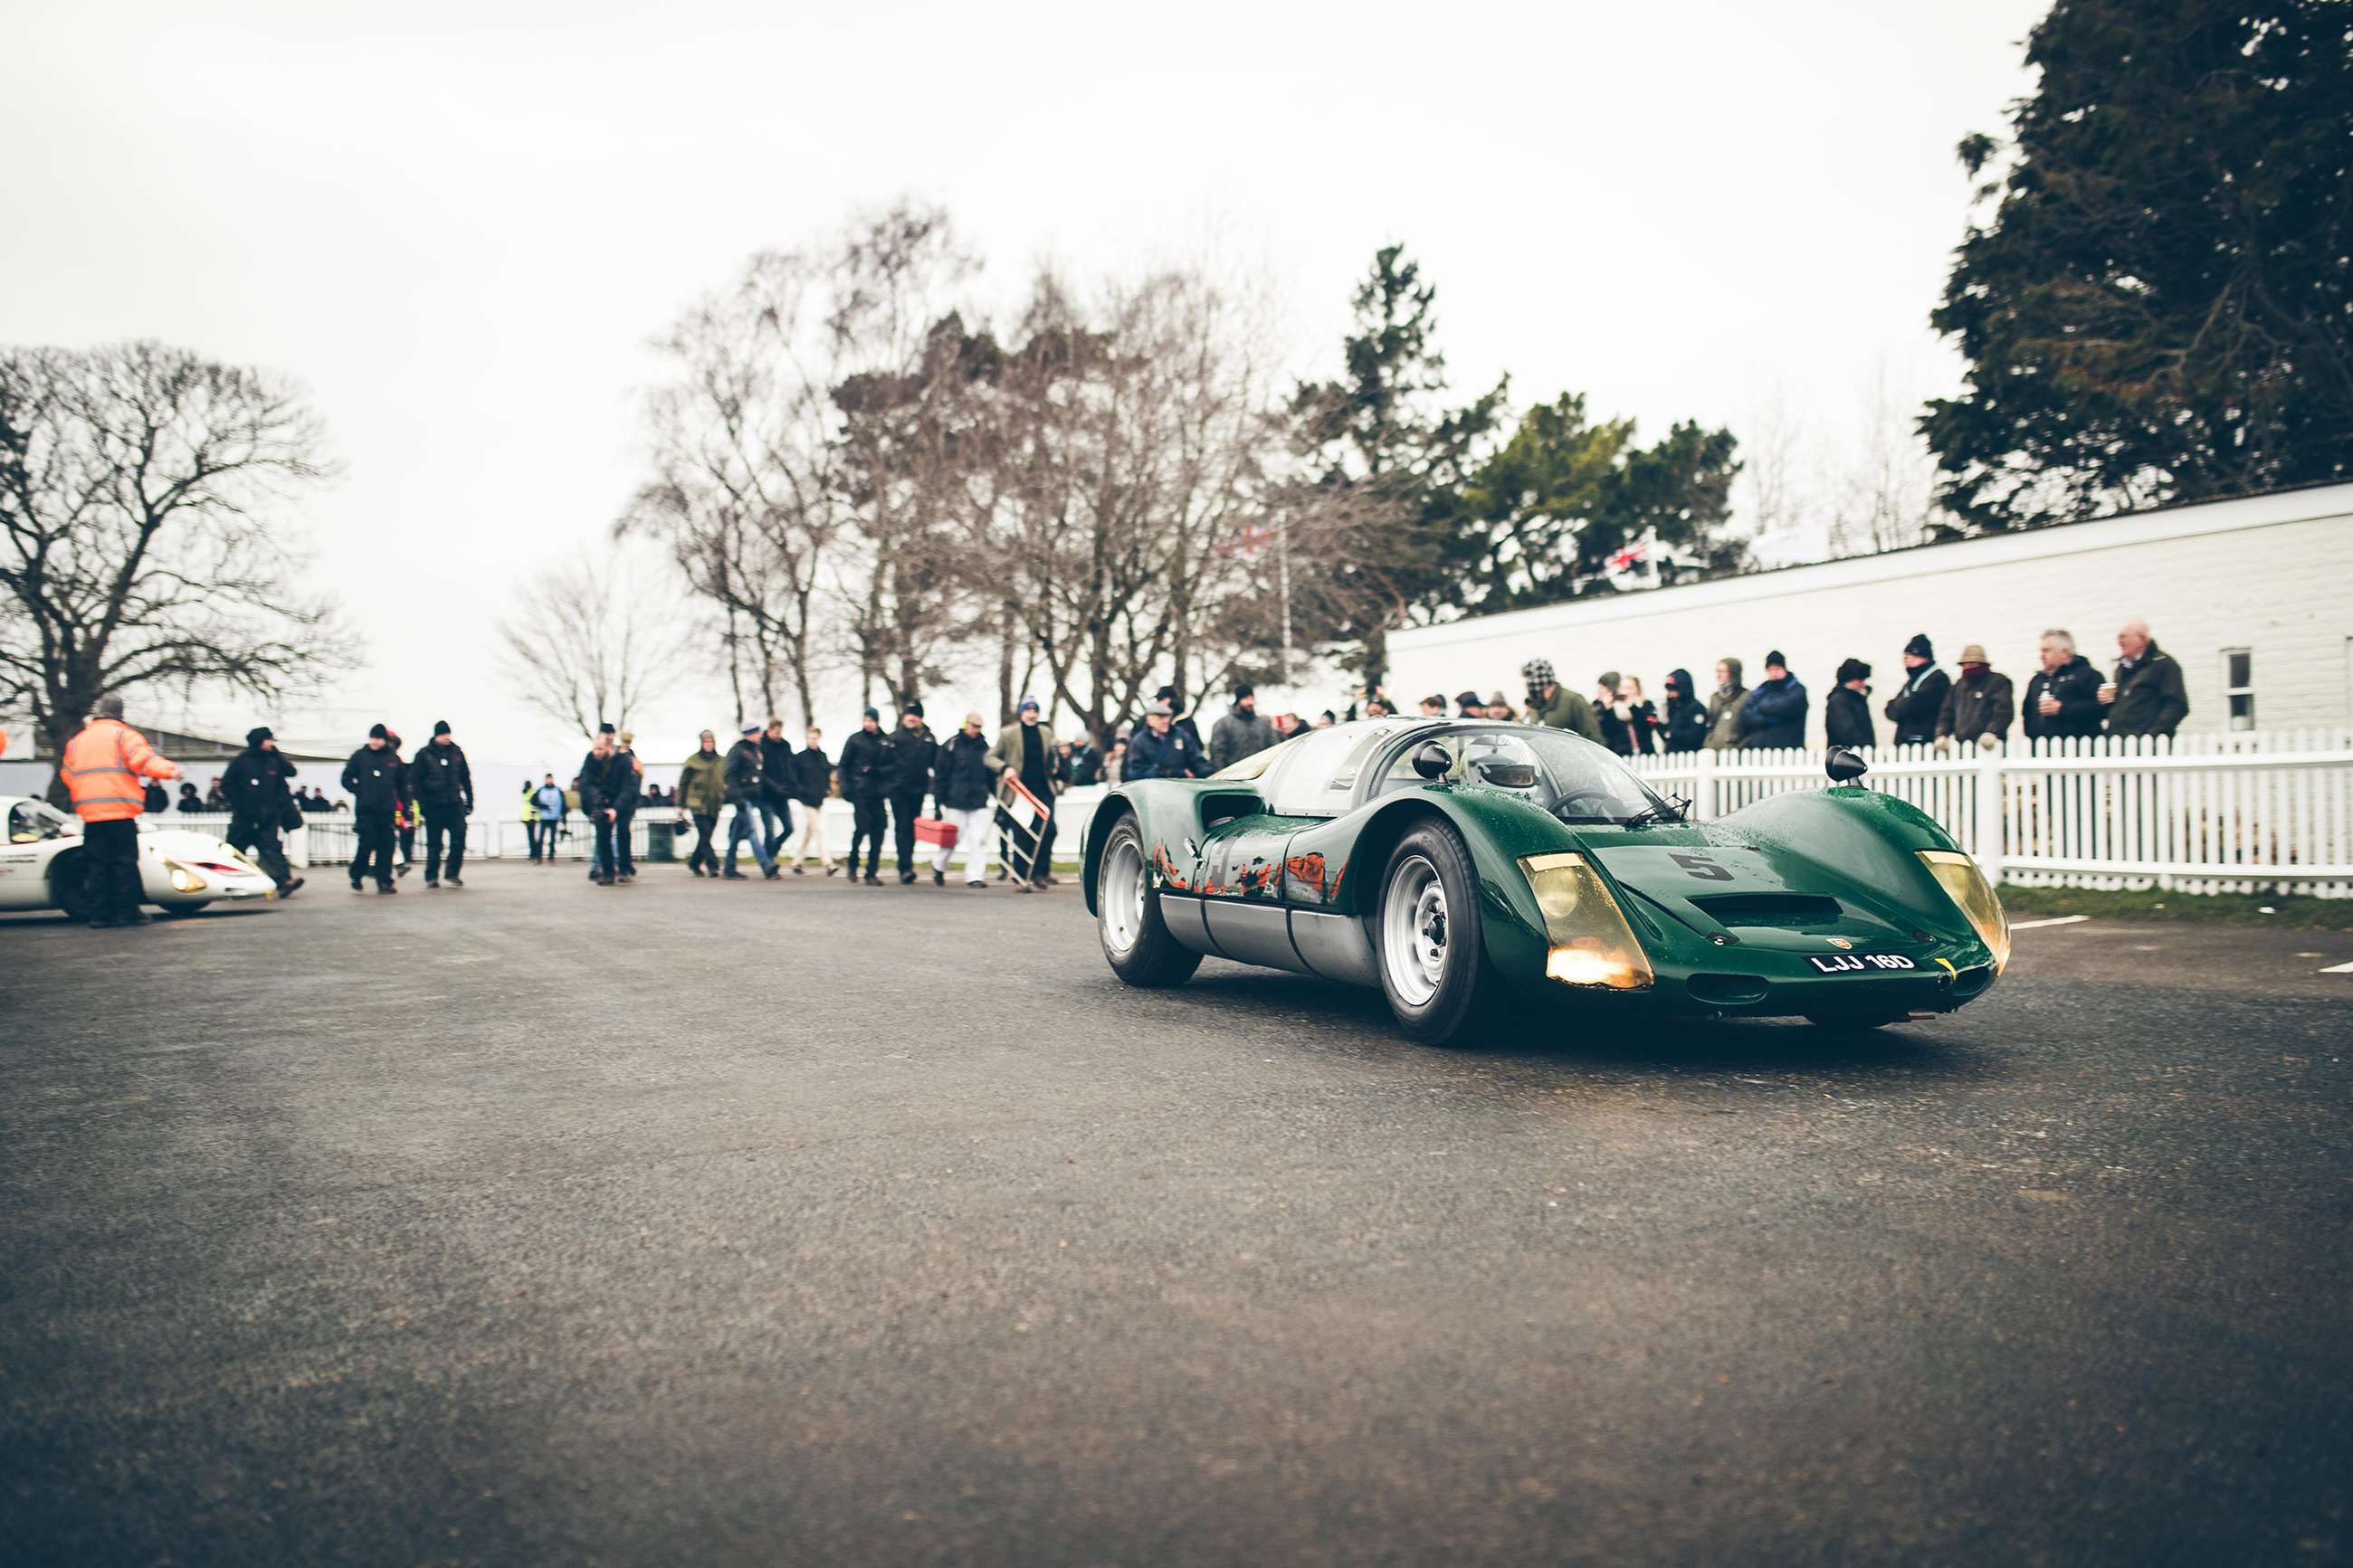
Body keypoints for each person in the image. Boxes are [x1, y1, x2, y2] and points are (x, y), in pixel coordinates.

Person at [62, 696, 180, 927]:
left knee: (96, 863)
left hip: (91, 813)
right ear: (120, 713)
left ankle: (99, 914)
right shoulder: (124, 736)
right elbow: (143, 761)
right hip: (119, 810)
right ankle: (126, 911)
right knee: (124, 862)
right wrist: (171, 771)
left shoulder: (78, 740)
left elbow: (67, 774)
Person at [986, 697, 1062, 889]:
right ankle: (1021, 876)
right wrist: (1005, 768)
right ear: (1021, 713)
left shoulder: (1046, 732)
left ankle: (1039, 872)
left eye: (1035, 711)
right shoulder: (1008, 733)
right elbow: (990, 757)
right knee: (1021, 833)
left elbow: (1052, 756)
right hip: (1020, 790)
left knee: (1048, 831)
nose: (1032, 714)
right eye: (1028, 710)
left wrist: (1055, 767)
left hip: (1043, 789)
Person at [221, 726, 304, 897]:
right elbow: (226, 785)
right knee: (235, 850)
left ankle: (284, 881)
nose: (271, 743)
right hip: (244, 817)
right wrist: (239, 805)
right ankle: (228, 882)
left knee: (272, 849)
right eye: (268, 740)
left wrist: (278, 755)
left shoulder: (273, 760)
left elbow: (291, 771)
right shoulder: (241, 761)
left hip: (268, 816)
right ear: (259, 741)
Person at [340, 723, 407, 894]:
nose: (375, 742)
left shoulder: (393, 759)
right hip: (366, 810)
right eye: (373, 738)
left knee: (387, 847)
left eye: (378, 739)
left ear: (384, 740)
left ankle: (384, 882)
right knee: (366, 845)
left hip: (387, 810)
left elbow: (402, 785)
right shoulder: (360, 756)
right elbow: (346, 778)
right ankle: (356, 874)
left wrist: (405, 807)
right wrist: (359, 791)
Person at [930, 711, 996, 888]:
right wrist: (938, 802)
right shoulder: (951, 745)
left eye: (979, 727)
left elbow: (991, 776)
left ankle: (975, 876)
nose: (976, 730)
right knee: (952, 839)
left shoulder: (985, 748)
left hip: (979, 800)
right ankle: (938, 865)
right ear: (965, 724)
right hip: (955, 800)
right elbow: (941, 775)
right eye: (973, 726)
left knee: (979, 840)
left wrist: (995, 795)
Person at [408, 719, 473, 888]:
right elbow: (415, 781)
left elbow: (465, 778)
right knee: (434, 844)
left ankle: (452, 873)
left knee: (459, 837)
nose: (446, 737)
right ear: (436, 735)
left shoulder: (456, 753)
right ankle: (431, 877)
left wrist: (470, 800)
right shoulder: (424, 754)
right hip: (434, 806)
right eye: (443, 734)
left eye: (448, 734)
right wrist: (422, 804)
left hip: (454, 804)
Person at [2103, 619, 2189, 737]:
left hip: (2147, 744)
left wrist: (2152, 735)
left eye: (2124, 637)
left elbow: (2177, 705)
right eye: (2119, 637)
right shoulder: (2122, 667)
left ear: (2142, 640)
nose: (2119, 641)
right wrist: (2107, 701)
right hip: (2120, 742)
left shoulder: (2164, 665)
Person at [882, 703, 938, 884]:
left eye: (915, 715)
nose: (911, 718)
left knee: (912, 828)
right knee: (903, 826)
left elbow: (937, 764)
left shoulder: (929, 739)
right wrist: (892, 782)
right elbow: (883, 763)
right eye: (909, 714)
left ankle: (908, 863)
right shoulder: (894, 738)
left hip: (918, 790)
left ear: (921, 718)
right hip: (899, 790)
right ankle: (904, 867)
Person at [2022, 629, 2104, 743]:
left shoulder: (2088, 676)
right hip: (2041, 748)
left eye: (2047, 651)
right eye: (2041, 651)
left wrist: (2063, 709)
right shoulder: (2037, 681)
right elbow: (2027, 713)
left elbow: (2101, 709)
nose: (2042, 656)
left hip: (2078, 747)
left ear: (2065, 653)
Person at [838, 708, 890, 885]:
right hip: (859, 791)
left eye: (871, 720)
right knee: (862, 827)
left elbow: (891, 766)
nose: (868, 723)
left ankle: (871, 872)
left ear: (877, 722)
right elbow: (843, 765)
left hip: (878, 793)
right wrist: (845, 788)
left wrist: (878, 773)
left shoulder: (885, 741)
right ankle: (853, 863)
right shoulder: (855, 740)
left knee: (879, 830)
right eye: (866, 720)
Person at [722, 723, 778, 879]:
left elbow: (759, 775)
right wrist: (737, 798)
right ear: (749, 734)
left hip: (755, 798)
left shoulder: (756, 751)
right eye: (757, 733)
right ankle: (767, 865)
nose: (760, 735)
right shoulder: (737, 751)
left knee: (735, 835)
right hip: (742, 798)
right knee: (751, 831)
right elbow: (730, 776)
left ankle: (729, 868)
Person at [1936, 643, 2015, 750]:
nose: (1968, 668)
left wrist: (1992, 732)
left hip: (1991, 746)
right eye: (1965, 665)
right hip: (1962, 746)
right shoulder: (1958, 687)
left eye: (1972, 664)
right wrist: (1942, 734)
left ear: (1982, 664)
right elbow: (1947, 713)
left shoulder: (1997, 683)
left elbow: (2003, 712)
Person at [1882, 634, 1949, 747]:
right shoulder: (1911, 682)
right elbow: (1890, 710)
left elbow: (1915, 705)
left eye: (1911, 655)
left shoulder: (1938, 679)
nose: (1906, 659)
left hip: (1924, 741)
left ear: (1924, 657)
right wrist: (1902, 705)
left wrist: (1901, 704)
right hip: (1904, 741)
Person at [786, 726, 835, 875]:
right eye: (810, 738)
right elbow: (794, 777)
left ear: (818, 738)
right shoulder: (800, 758)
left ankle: (797, 861)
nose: (812, 741)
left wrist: (827, 788)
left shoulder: (823, 757)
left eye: (814, 738)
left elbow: (826, 774)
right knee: (819, 830)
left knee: (809, 832)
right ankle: (827, 863)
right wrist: (801, 791)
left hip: (819, 799)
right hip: (806, 799)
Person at [677, 730, 727, 877]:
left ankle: (694, 863)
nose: (708, 744)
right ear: (701, 743)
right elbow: (683, 784)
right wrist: (680, 805)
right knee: (705, 834)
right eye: (706, 742)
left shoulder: (721, 761)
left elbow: (726, 779)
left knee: (706, 837)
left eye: (711, 741)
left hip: (715, 804)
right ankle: (713, 866)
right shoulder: (693, 761)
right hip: (697, 803)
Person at [1738, 652, 1809, 749]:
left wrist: (1760, 709)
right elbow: (1746, 715)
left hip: (1787, 748)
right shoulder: (1762, 690)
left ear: (1784, 669)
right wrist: (1769, 720)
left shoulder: (1796, 690)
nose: (1774, 673)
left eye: (1777, 668)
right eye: (1770, 669)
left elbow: (1783, 707)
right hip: (1760, 748)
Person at [1520, 659, 1602, 741]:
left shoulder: (1574, 702)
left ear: (1551, 685)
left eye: (1541, 691)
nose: (1537, 696)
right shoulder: (1534, 705)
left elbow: (1593, 738)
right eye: (1534, 692)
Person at [1126, 698, 1208, 779]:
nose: (1165, 721)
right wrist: (1168, 773)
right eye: (1160, 717)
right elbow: (1135, 772)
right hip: (1154, 786)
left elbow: (1197, 760)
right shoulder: (1140, 741)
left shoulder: (1180, 734)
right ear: (1149, 720)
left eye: (1167, 716)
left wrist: (1208, 774)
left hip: (1182, 785)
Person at [1208, 683, 1277, 772]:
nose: (1250, 702)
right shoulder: (1223, 724)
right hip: (1234, 775)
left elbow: (1273, 749)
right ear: (1238, 700)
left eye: (1252, 699)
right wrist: (1221, 775)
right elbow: (1218, 754)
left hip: (1260, 774)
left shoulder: (1263, 724)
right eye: (1246, 699)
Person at [757, 718, 795, 859]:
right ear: (769, 731)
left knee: (789, 828)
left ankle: (772, 849)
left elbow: (790, 767)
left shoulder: (785, 745)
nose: (778, 736)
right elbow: (760, 772)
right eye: (776, 733)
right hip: (766, 795)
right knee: (770, 830)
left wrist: (790, 785)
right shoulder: (761, 745)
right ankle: (768, 861)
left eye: (780, 733)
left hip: (782, 796)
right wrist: (774, 786)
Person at [609, 729, 644, 883]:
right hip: (620, 800)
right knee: (621, 834)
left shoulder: (631, 758)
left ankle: (624, 866)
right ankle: (623, 866)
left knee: (623, 834)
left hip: (626, 801)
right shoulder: (622, 757)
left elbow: (637, 779)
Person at [1824, 659, 1876, 749]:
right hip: (1849, 751)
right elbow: (1847, 731)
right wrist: (1864, 746)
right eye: (1860, 680)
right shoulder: (1839, 701)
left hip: (1857, 751)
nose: (1863, 684)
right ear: (1850, 679)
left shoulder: (1854, 698)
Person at [1702, 658, 1747, 750]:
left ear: (1733, 673)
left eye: (1722, 672)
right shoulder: (1715, 698)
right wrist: (1708, 743)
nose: (1718, 675)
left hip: (1734, 751)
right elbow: (1709, 725)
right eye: (1717, 671)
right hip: (1713, 750)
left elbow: (1750, 727)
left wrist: (1740, 746)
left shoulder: (1745, 696)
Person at [1661, 670, 1709, 753]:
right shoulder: (1674, 708)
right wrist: (1658, 726)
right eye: (1669, 690)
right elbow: (1668, 736)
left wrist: (1672, 734)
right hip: (1672, 755)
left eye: (1673, 689)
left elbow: (1695, 737)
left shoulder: (1696, 708)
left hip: (1689, 755)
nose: (1670, 694)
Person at [1592, 672, 1633, 755]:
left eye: (1602, 688)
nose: (1599, 691)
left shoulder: (1621, 705)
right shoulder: (1596, 705)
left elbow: (1616, 730)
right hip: (1601, 750)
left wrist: (1608, 709)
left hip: (1619, 752)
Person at [1620, 676, 1661, 755]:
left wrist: (1632, 707)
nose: (1626, 692)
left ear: (1637, 689)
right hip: (1625, 752)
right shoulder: (1617, 707)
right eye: (1623, 688)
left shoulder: (1647, 705)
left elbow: (1646, 725)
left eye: (1629, 688)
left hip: (1646, 752)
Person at [530, 774, 567, 861]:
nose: (549, 781)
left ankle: (551, 855)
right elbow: (533, 801)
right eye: (548, 779)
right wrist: (542, 806)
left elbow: (563, 804)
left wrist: (563, 816)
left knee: (552, 837)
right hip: (544, 817)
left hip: (554, 817)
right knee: (541, 837)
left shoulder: (558, 791)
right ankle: (539, 856)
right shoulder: (541, 790)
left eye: (550, 779)